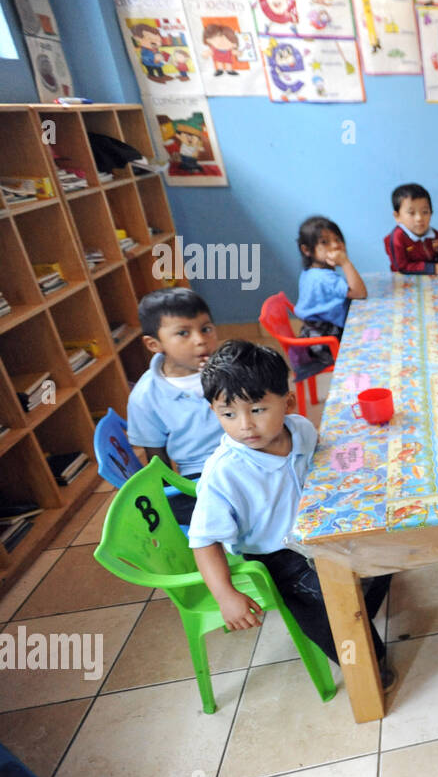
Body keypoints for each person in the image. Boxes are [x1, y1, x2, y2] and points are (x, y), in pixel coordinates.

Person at [188, 341, 395, 687]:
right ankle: (367, 660)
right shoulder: (224, 473)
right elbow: (203, 541)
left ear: (287, 402)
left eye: (257, 410)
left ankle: (359, 605)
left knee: (384, 553)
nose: (244, 426)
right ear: (214, 412)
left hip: (316, 527)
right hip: (277, 555)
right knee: (321, 597)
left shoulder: (299, 428)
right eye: (228, 414)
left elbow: (321, 465)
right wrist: (226, 596)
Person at [126, 288, 223, 525]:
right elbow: (156, 461)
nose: (200, 339)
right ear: (154, 344)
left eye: (206, 328)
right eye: (183, 333)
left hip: (250, 452)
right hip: (198, 476)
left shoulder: (228, 367)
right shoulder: (145, 397)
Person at [293, 215, 367, 372]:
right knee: (371, 341)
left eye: (337, 239)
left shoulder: (311, 272)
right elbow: (360, 293)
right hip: (324, 341)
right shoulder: (324, 278)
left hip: (311, 334)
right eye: (324, 242)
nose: (335, 246)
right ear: (306, 249)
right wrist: (345, 262)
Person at [384, 183, 438, 275]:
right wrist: (432, 268)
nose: (419, 218)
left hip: (433, 283)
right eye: (411, 213)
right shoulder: (397, 238)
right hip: (405, 284)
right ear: (397, 216)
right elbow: (402, 267)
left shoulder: (435, 236)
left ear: (431, 213)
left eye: (425, 212)